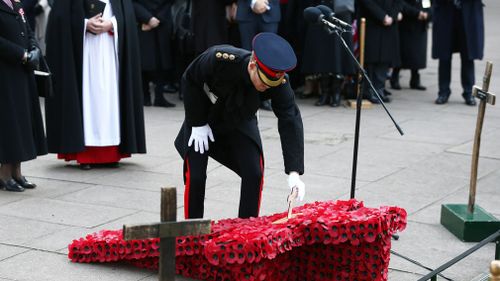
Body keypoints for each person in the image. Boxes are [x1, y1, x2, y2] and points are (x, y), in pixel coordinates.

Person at [174, 32, 305, 219]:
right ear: (252, 66)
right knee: (195, 176)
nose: (266, 88)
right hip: (203, 119)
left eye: (270, 85)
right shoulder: (220, 59)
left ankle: (247, 231)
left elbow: (290, 118)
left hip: (240, 119)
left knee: (254, 173)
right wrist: (197, 123)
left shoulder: (278, 82)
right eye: (264, 83)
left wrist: (294, 173)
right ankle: (192, 232)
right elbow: (191, 78)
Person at [45, 0, 146, 170]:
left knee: (109, 99)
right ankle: (85, 153)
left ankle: (111, 152)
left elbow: (127, 15)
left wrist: (112, 24)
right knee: (88, 98)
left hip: (110, 49)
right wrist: (84, 24)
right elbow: (59, 17)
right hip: (84, 51)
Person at [0, 0, 47, 192]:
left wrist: (34, 49)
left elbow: (28, 29)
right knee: (9, 123)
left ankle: (17, 172)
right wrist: (22, 54)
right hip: (5, 73)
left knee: (22, 120)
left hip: (22, 71)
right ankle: (4, 174)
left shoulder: (15, 3)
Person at [301, 0, 355, 107]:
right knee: (321, 53)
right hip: (320, 9)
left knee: (338, 54)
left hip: (340, 10)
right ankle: (324, 92)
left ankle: (336, 92)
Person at [432, 0, 484, 106]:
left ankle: (469, 92)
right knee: (444, 55)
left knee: (468, 55)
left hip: (468, 12)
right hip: (446, 11)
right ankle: (443, 92)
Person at [236, 0, 281, 111]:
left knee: (269, 56)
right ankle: (247, 96)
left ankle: (266, 97)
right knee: (246, 56)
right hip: (246, 9)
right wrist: (254, 2)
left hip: (270, 9)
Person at [133, 0, 176, 107]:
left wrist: (158, 20)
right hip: (141, 22)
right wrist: (147, 18)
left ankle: (159, 96)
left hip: (162, 21)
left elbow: (169, 2)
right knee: (144, 60)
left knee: (162, 60)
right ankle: (144, 96)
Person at [357, 0, 402, 104]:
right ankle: (369, 91)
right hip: (371, 22)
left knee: (384, 60)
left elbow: (399, 3)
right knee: (370, 60)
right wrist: (382, 16)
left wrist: (392, 16)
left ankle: (379, 89)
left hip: (389, 24)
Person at [390, 0, 430, 91]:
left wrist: (427, 14)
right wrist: (417, 13)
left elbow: (429, 4)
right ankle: (395, 77)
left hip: (420, 27)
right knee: (402, 53)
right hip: (407, 25)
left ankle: (415, 80)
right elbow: (402, 4)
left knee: (417, 55)